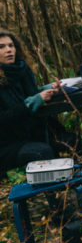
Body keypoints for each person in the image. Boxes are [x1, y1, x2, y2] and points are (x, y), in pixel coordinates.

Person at [0, 29, 68, 178]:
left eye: (11, 45)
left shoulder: (22, 69)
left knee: (69, 141)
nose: (9, 50)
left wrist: (48, 90)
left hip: (33, 132)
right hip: (8, 142)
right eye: (1, 47)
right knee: (41, 151)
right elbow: (3, 118)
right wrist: (34, 102)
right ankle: (55, 191)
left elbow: (29, 95)